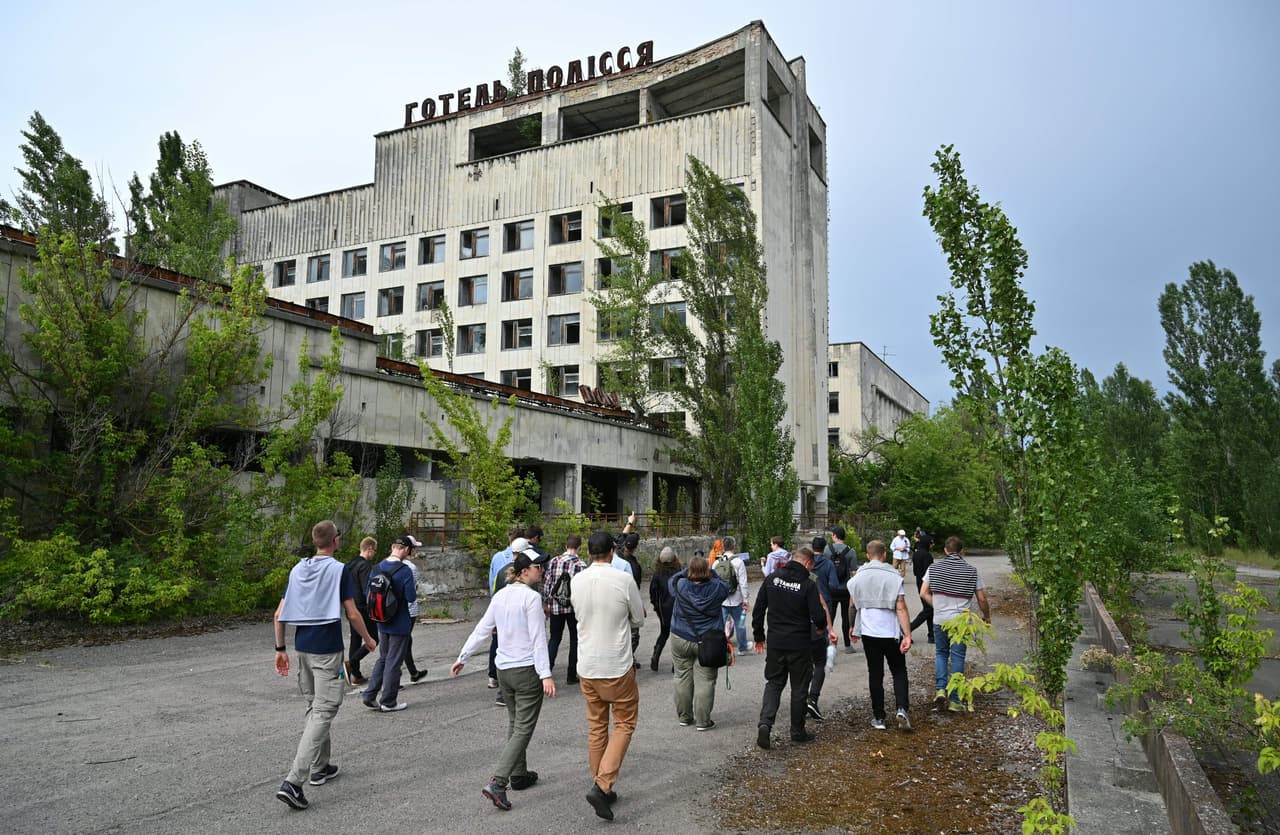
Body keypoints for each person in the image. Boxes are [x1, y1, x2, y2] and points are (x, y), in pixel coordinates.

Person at [273, 521, 376, 811]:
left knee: (314, 706)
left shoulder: (298, 569)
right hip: (327, 652)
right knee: (324, 710)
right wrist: (368, 640)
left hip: (302, 648)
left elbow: (279, 613)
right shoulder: (338, 569)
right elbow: (352, 613)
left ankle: (321, 766)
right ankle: (294, 782)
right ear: (336, 540)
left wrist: (280, 649)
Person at [452, 547, 556, 811]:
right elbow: (538, 638)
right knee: (523, 727)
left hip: (504, 671)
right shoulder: (531, 599)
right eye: (537, 568)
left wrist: (463, 657)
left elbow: (482, 628)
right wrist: (546, 674)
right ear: (524, 572)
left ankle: (518, 775)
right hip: (525, 670)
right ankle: (498, 782)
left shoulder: (500, 596)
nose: (541, 571)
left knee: (514, 722)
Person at [570, 530, 645, 821]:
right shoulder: (623, 580)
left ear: (588, 553)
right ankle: (603, 784)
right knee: (625, 723)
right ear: (612, 552)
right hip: (616, 664)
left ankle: (600, 782)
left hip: (587, 665)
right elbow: (638, 618)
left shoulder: (578, 580)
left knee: (597, 726)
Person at [752, 546, 831, 750]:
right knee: (799, 687)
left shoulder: (772, 579)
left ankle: (765, 723)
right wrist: (821, 629)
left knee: (774, 683)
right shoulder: (807, 584)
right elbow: (818, 614)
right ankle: (797, 731)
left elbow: (759, 608)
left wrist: (758, 635)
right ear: (808, 563)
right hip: (799, 643)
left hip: (776, 641)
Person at [848, 540, 913, 731]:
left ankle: (879, 717)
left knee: (875, 673)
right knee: (899, 670)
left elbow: (852, 605)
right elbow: (900, 607)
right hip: (891, 632)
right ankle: (902, 708)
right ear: (884, 555)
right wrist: (907, 634)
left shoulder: (858, 577)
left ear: (868, 556)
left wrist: (852, 626)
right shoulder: (893, 576)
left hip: (869, 631)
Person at [920, 536, 990, 711]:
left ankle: (940, 689)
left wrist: (937, 605)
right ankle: (955, 699)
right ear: (961, 551)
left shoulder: (933, 568)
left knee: (941, 654)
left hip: (940, 620)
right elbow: (981, 598)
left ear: (945, 550)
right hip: (961, 621)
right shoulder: (971, 571)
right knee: (958, 657)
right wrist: (986, 616)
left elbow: (923, 593)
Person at [668, 553, 731, 730]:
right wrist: (713, 573)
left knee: (681, 676)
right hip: (709, 639)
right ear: (708, 570)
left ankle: (685, 716)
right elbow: (727, 585)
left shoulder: (680, 585)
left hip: (681, 635)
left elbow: (672, 581)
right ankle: (703, 721)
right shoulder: (717, 588)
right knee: (706, 679)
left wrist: (685, 571)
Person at [360, 534, 420, 712]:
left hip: (381, 620)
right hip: (399, 622)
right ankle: (389, 701)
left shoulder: (377, 567)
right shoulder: (404, 570)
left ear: (393, 547)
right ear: (407, 550)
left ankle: (370, 695)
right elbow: (411, 597)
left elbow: (367, 593)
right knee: (394, 662)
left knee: (383, 659)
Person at [488, 532, 529, 702]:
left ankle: (494, 677)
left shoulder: (500, 566)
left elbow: (493, 587)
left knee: (499, 645)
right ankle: (507, 692)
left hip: (500, 613)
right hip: (517, 617)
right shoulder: (522, 572)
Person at [543, 534, 587, 684]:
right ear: (579, 547)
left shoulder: (554, 561)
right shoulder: (581, 565)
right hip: (573, 609)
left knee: (554, 638)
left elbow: (547, 584)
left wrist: (547, 602)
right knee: (575, 640)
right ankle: (571, 674)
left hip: (555, 607)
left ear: (565, 547)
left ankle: (546, 670)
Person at [806, 535, 839, 722]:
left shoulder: (806, 564)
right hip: (824, 603)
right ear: (825, 547)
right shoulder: (827, 564)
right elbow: (834, 584)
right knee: (823, 638)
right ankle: (813, 696)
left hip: (804, 609)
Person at [342, 536, 378, 686]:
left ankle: (355, 675)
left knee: (355, 640)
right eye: (374, 551)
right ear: (369, 549)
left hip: (350, 605)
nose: (374, 554)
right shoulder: (364, 566)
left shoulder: (350, 564)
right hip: (362, 607)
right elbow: (366, 589)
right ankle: (351, 663)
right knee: (375, 639)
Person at [715, 536, 750, 654]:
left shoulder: (716, 562)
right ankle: (742, 648)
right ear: (734, 546)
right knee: (740, 624)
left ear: (723, 547)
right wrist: (746, 599)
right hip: (737, 599)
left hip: (722, 600)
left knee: (721, 625)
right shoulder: (739, 561)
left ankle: (722, 648)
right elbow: (743, 583)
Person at [648, 547, 681, 671]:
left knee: (664, 633)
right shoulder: (679, 572)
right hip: (678, 609)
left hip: (663, 610)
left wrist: (656, 606)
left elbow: (652, 592)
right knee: (677, 635)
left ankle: (655, 657)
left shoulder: (657, 574)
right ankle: (675, 664)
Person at [825, 526, 856, 654]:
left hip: (831, 588)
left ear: (835, 536)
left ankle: (827, 644)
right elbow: (854, 572)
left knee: (829, 616)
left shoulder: (827, 550)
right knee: (845, 617)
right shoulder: (851, 551)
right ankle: (848, 646)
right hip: (845, 589)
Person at [400, 548, 428, 685]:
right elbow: (413, 588)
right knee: (402, 642)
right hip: (409, 609)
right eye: (414, 548)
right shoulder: (411, 567)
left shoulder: (388, 564)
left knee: (405, 641)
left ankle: (413, 672)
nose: (416, 551)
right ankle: (394, 677)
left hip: (395, 609)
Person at [909, 528, 935, 642]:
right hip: (927, 584)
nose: (932, 545)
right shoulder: (927, 556)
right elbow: (928, 572)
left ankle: (931, 635)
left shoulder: (916, 554)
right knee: (928, 610)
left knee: (928, 609)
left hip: (919, 582)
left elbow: (915, 572)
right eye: (931, 543)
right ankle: (907, 629)